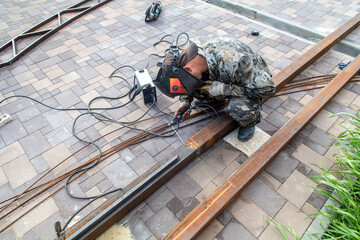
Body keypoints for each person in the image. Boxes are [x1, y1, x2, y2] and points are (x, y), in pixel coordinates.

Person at [155, 37, 275, 142]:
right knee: (196, 84)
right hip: (224, 82)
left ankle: (249, 122)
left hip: (250, 84)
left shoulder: (235, 60)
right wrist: (185, 102)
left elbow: (267, 89)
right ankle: (216, 97)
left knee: (237, 108)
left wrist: (224, 89)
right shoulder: (193, 60)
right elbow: (186, 84)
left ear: (188, 69)